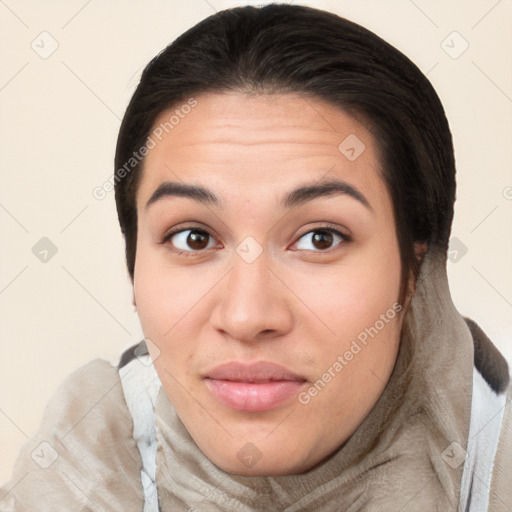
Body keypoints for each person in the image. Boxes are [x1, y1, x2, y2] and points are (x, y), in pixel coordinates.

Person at [1, 4, 510, 511]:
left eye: (320, 239)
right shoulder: (81, 467)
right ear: (133, 267)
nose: (247, 317)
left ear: (413, 273)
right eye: (194, 238)